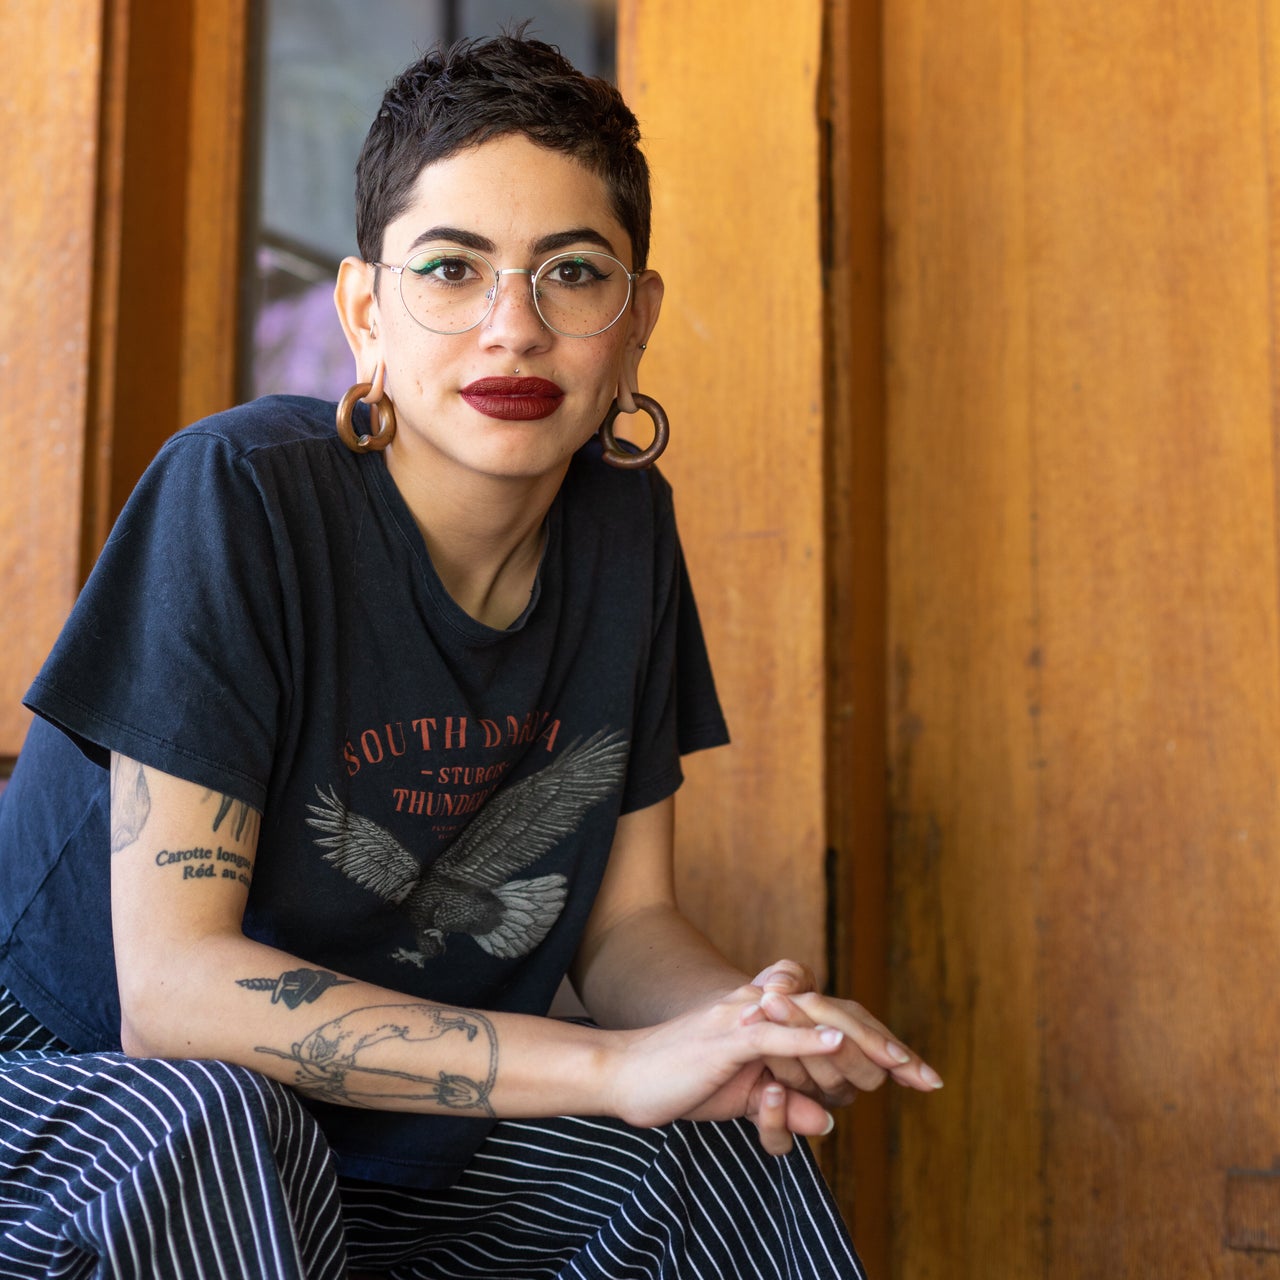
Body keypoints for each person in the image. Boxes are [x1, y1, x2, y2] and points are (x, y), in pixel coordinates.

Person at [0, 30, 941, 1280]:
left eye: (573, 273)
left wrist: (735, 1025)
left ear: (635, 319)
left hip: (379, 1118)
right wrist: (613, 1065)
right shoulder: (241, 497)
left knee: (708, 1147)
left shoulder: (626, 535)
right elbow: (173, 998)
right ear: (362, 312)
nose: (514, 329)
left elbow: (624, 930)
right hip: (76, 1082)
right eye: (451, 269)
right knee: (221, 1124)